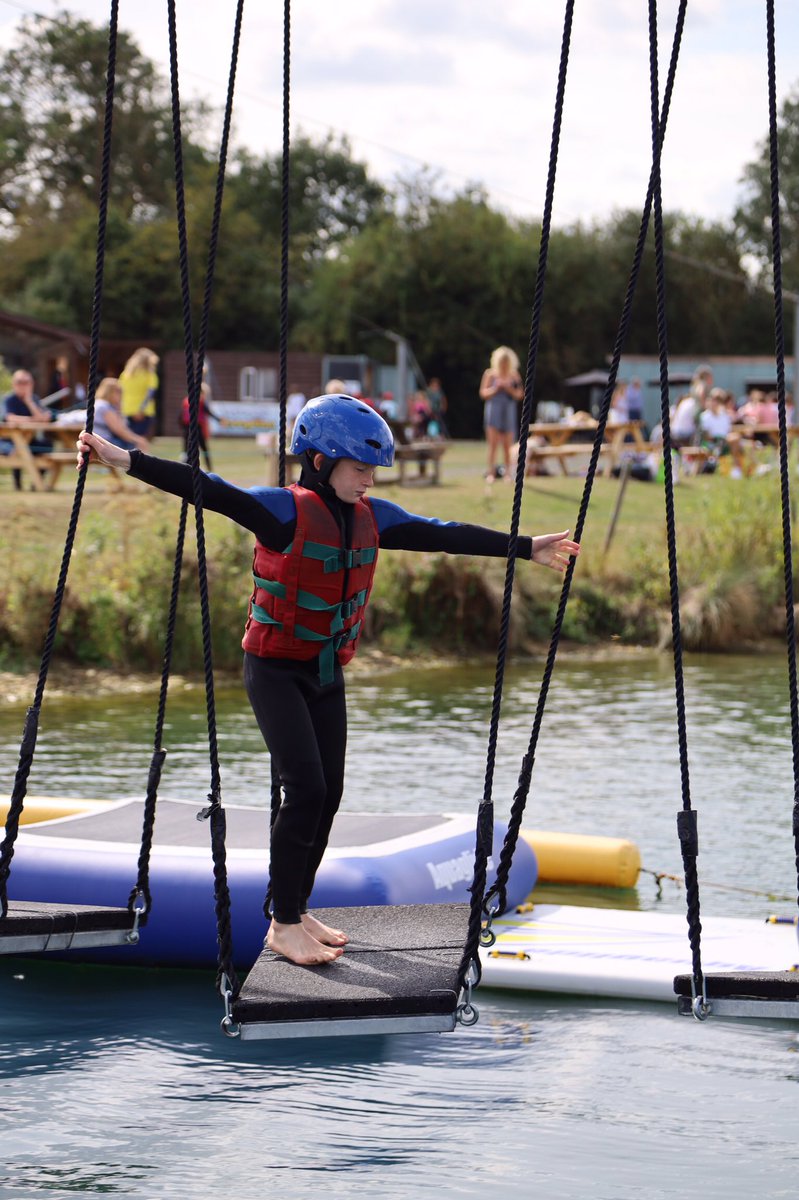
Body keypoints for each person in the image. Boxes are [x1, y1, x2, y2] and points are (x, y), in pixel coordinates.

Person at [76, 394, 580, 967]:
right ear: (319, 461)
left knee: (330, 793)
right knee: (307, 789)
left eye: (373, 470)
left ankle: (293, 907)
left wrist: (525, 548)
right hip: (272, 670)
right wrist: (121, 458)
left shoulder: (373, 517)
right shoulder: (281, 511)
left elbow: (445, 532)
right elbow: (205, 488)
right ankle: (282, 925)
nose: (369, 479)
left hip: (323, 672)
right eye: (359, 468)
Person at [2, 369, 54, 490]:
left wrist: (29, 401)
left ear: (32, 384)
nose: (23, 385)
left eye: (27, 382)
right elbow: (10, 418)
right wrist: (34, 419)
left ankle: (36, 483)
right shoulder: (9, 399)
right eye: (20, 382)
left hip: (29, 440)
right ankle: (18, 484)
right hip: (9, 441)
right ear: (13, 384)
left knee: (47, 445)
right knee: (20, 447)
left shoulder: (34, 399)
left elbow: (44, 418)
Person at [480, 346, 524, 482]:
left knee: (507, 445)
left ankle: (507, 473)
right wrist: (496, 388)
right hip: (494, 410)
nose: (504, 365)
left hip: (508, 411)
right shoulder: (490, 374)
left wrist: (509, 389)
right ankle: (491, 473)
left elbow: (520, 394)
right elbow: (483, 393)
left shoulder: (514, 375)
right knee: (493, 444)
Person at [94, 377, 150, 452]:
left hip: (102, 440)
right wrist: (138, 440)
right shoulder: (104, 406)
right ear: (109, 392)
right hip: (102, 441)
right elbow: (119, 430)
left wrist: (118, 408)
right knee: (137, 447)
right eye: (118, 392)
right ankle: (143, 463)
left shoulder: (106, 405)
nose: (121, 395)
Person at [119, 347, 159, 441]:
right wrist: (141, 410)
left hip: (126, 410)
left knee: (129, 440)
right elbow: (150, 393)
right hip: (143, 412)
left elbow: (120, 392)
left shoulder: (125, 374)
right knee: (140, 441)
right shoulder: (150, 374)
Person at [179, 382, 218, 471]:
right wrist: (219, 420)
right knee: (204, 449)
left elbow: (180, 416)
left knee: (187, 450)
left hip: (186, 428)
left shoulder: (186, 400)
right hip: (196, 428)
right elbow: (209, 412)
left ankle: (185, 467)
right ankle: (209, 469)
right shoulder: (200, 401)